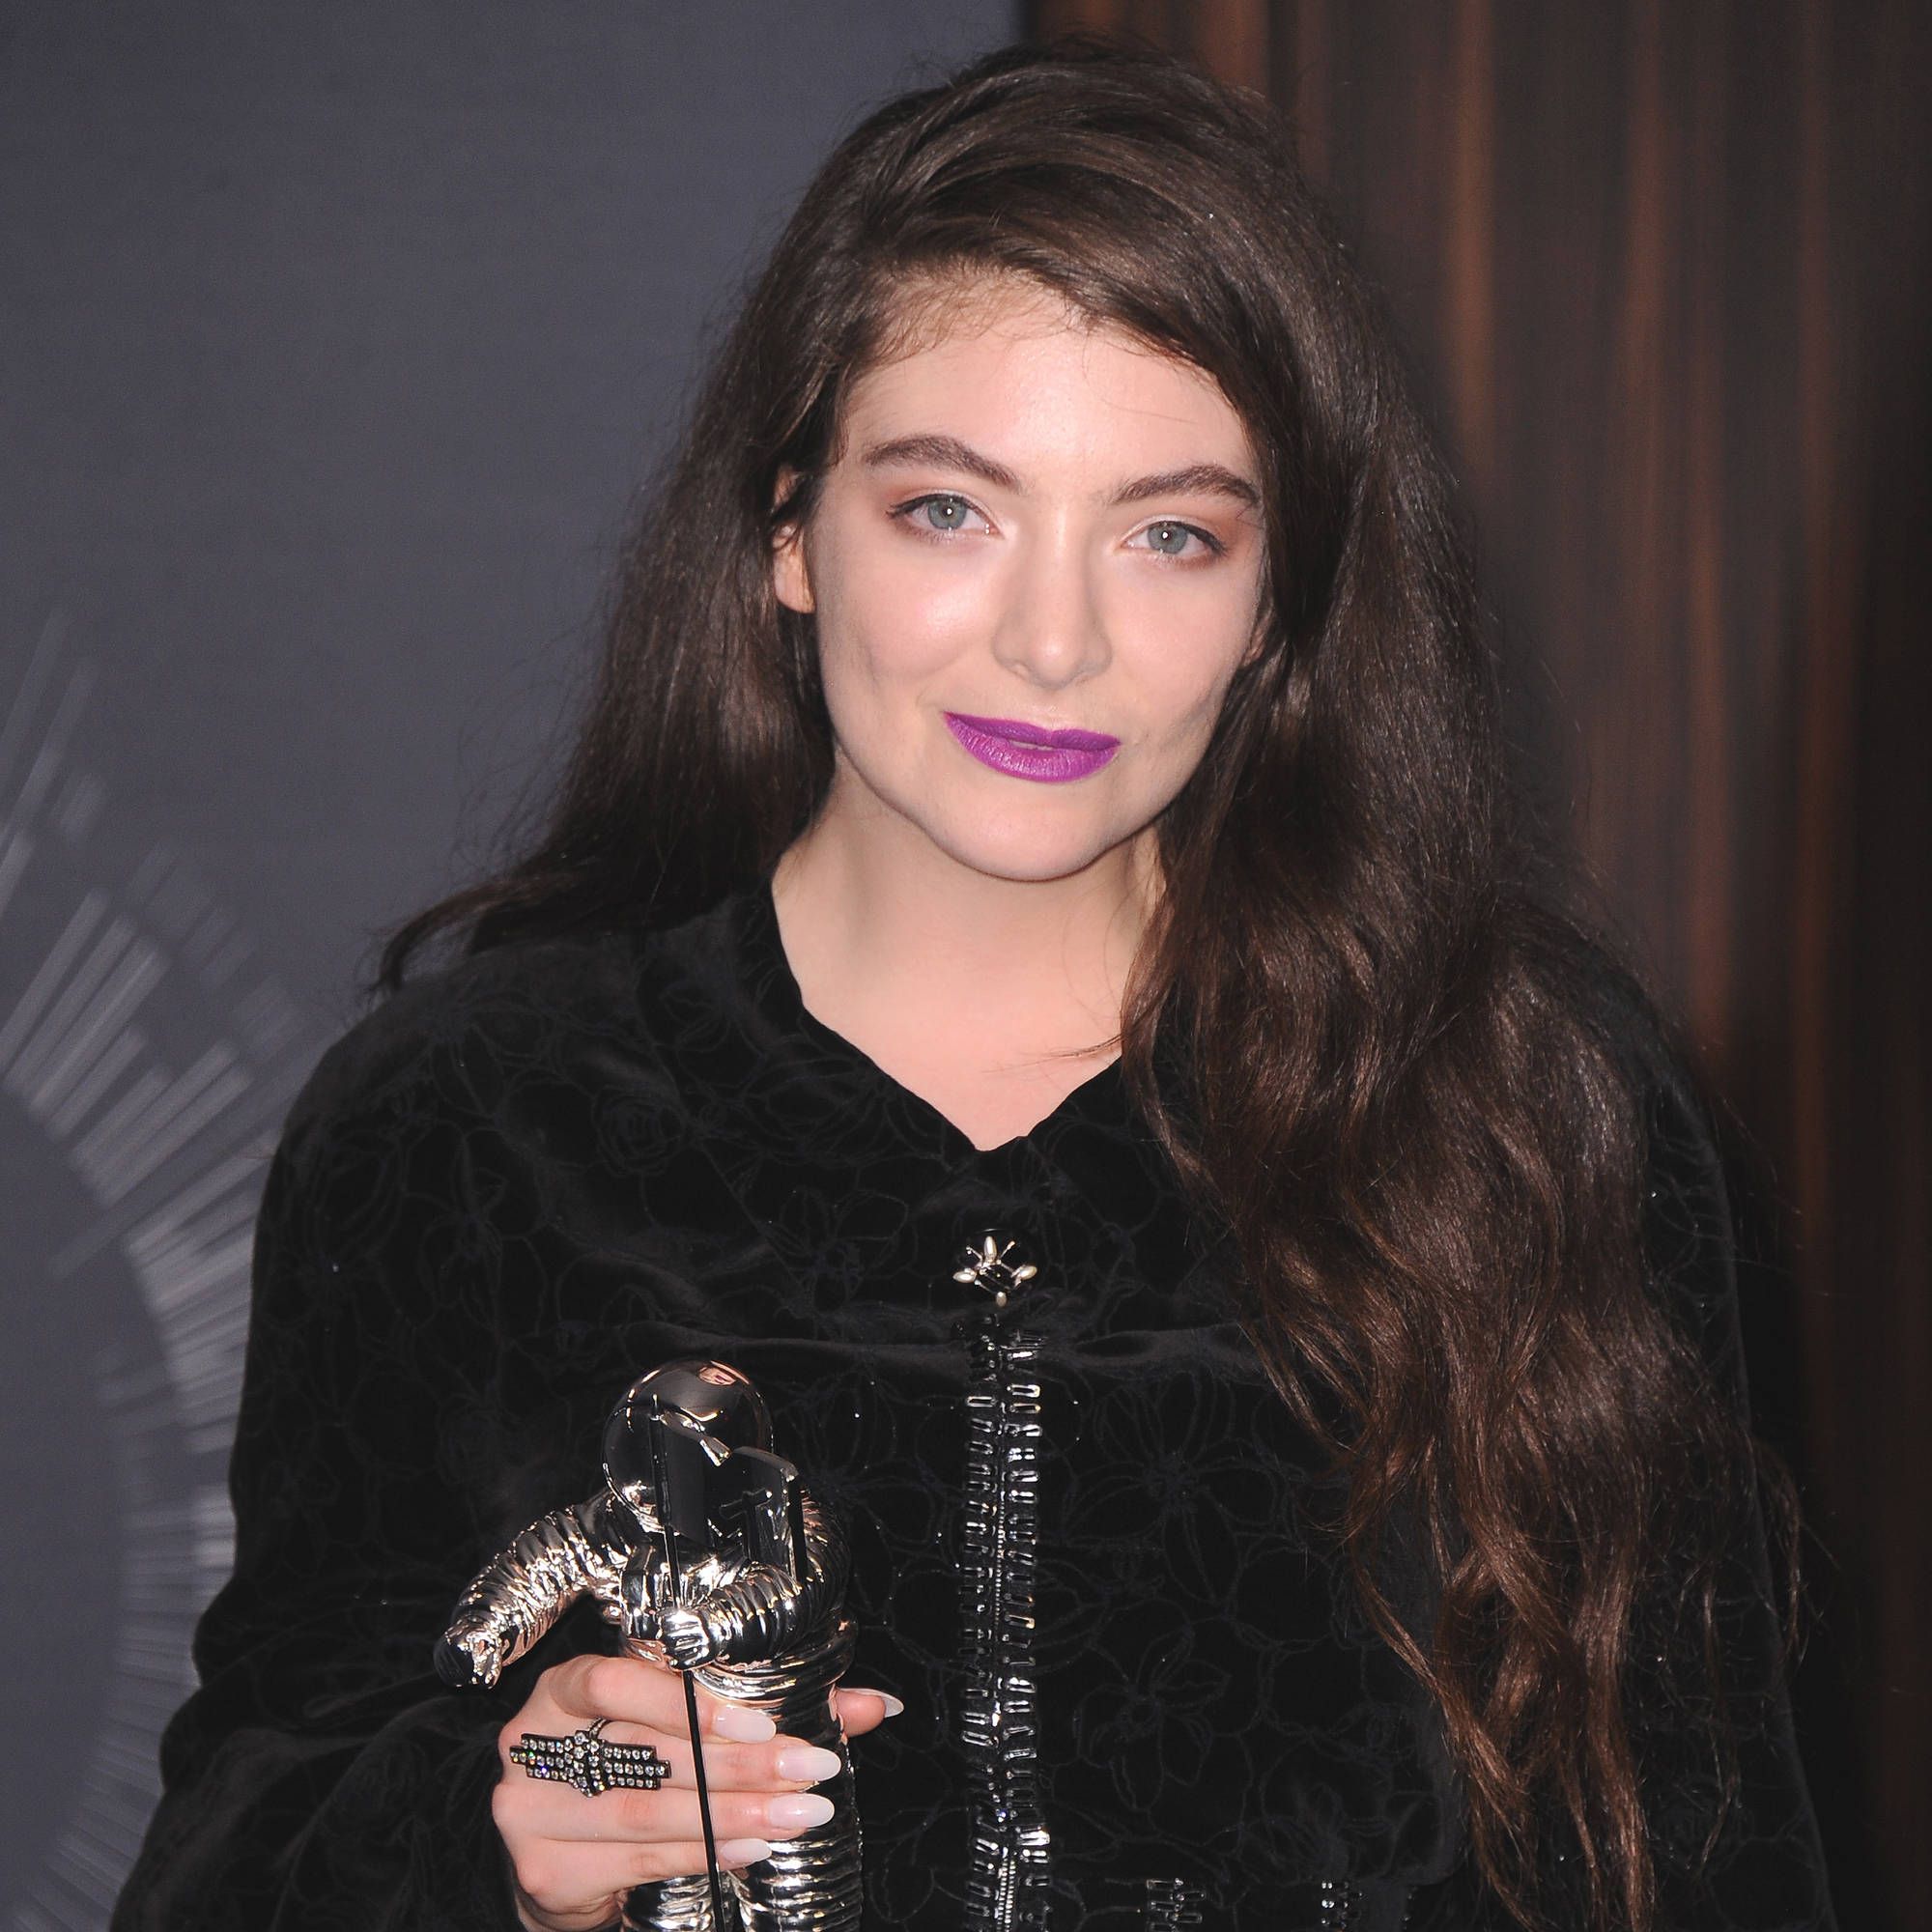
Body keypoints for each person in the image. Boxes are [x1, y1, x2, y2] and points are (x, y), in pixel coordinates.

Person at [112, 37, 1836, 1932]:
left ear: (1275, 603)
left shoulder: (1528, 1117)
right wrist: (498, 1831)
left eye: (1169, 534)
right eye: (951, 508)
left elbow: (1713, 1863)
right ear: (790, 530)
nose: (1053, 639)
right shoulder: (464, 1126)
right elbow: (234, 1862)